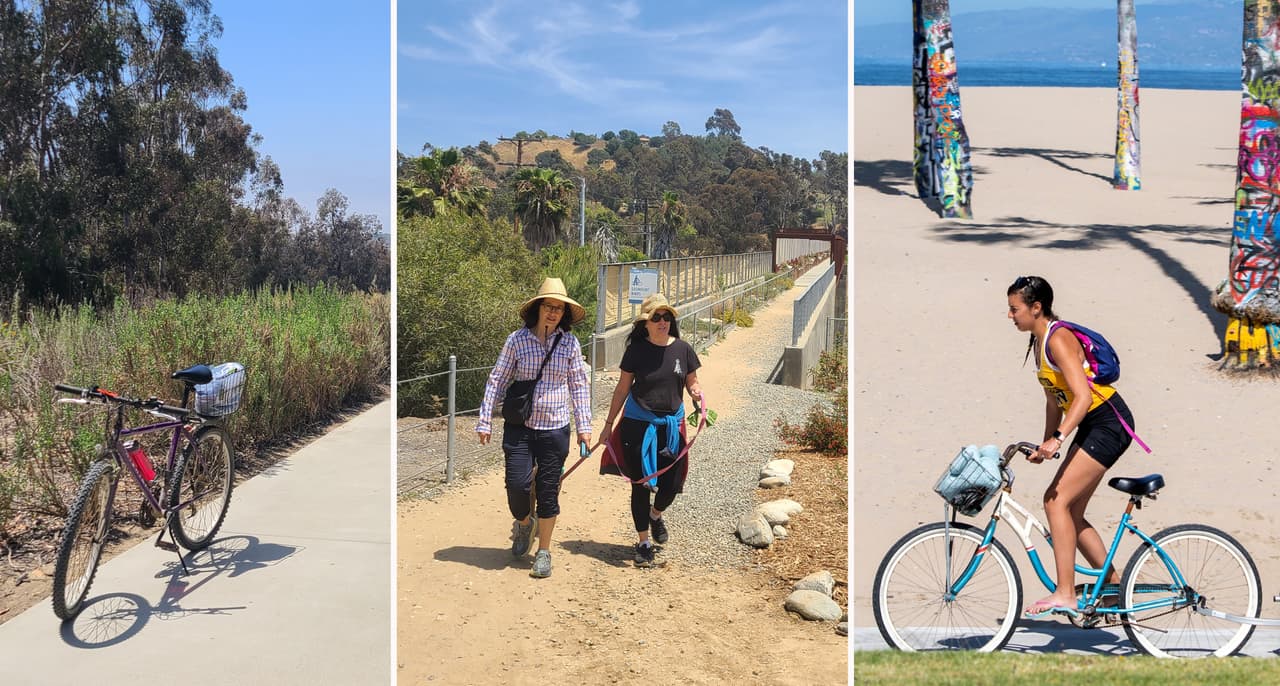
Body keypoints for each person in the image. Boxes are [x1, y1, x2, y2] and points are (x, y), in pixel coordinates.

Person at [1006, 275, 1136, 617]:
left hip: (1108, 423)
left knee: (1055, 501)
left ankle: (1066, 592)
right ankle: (1114, 587)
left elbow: (1082, 397)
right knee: (1071, 513)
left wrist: (1060, 438)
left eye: (1014, 309)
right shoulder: (1039, 343)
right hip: (1092, 424)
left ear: (1037, 308)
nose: (1010, 316)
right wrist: (1045, 441)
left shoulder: (1058, 339)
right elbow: (1054, 401)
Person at [477, 277, 592, 579]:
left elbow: (579, 385)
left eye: (559, 308)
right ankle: (524, 525)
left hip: (555, 427)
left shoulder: (569, 342)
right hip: (521, 426)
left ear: (564, 313)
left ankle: (544, 551)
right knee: (517, 486)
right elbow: (498, 379)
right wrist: (485, 418)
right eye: (548, 306)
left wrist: (585, 427)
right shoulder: (516, 340)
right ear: (537, 308)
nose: (553, 312)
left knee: (548, 491)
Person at [599, 294, 704, 568]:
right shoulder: (636, 350)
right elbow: (622, 389)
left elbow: (692, 381)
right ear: (645, 323)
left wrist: (696, 393)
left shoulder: (683, 349)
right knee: (641, 483)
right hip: (638, 424)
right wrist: (608, 425)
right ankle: (643, 542)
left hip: (670, 426)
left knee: (671, 484)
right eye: (656, 317)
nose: (662, 322)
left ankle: (656, 515)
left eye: (666, 317)